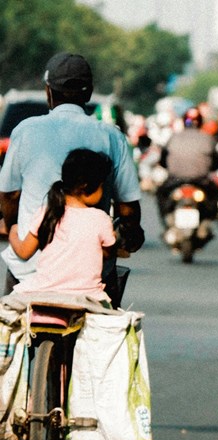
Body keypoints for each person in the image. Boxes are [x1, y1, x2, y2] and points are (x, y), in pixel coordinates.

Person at [0, 52, 144, 306]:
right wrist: (131, 234)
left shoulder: (25, 130)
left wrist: (13, 226)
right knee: (104, 333)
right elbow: (128, 208)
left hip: (29, 274)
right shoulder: (111, 136)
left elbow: (10, 195)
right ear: (88, 94)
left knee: (10, 328)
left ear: (49, 92)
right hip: (87, 281)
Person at [8, 149, 116, 303]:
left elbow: (24, 252)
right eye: (101, 186)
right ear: (86, 186)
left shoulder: (48, 213)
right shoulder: (100, 219)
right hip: (87, 297)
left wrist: (13, 231)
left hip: (42, 293)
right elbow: (108, 252)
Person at [156, 106, 218, 237]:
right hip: (201, 181)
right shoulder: (208, 138)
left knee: (161, 193)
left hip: (175, 180)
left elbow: (163, 159)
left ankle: (167, 223)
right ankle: (207, 221)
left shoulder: (173, 137)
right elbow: (216, 161)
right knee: (215, 192)